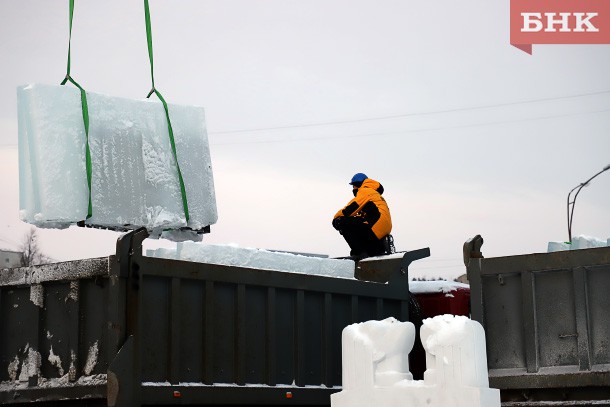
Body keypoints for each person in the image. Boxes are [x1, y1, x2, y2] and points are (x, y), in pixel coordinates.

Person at [332, 173, 392, 257]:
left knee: (342, 221)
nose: (353, 189)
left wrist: (336, 218)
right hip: (381, 230)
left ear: (357, 185)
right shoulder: (374, 193)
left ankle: (359, 252)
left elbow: (351, 209)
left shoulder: (365, 191)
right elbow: (361, 216)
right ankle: (374, 250)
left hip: (375, 226)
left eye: (353, 186)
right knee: (356, 222)